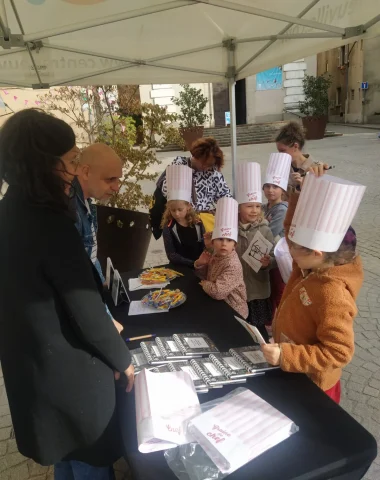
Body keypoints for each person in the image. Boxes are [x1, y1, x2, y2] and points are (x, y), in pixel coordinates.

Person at [0, 109, 134, 480]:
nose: (76, 171)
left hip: (34, 370)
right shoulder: (51, 223)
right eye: (72, 161)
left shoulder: (8, 211)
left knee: (65, 456)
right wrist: (123, 359)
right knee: (89, 458)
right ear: (44, 164)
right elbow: (85, 307)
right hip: (70, 375)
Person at [261, 164, 365, 404]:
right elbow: (291, 230)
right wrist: (303, 192)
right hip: (293, 368)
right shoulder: (308, 264)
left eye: (293, 248)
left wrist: (286, 355)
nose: (288, 249)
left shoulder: (333, 294)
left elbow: (339, 351)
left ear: (317, 252)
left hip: (314, 386)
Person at [73, 142, 124, 333]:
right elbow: (76, 278)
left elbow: (90, 255)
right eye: (110, 179)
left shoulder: (86, 203)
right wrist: (106, 320)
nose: (116, 187)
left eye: (118, 179)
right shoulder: (71, 210)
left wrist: (101, 280)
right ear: (85, 172)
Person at [235, 163, 275, 343]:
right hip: (237, 289)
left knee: (259, 329)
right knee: (241, 327)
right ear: (238, 208)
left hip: (258, 290)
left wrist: (269, 263)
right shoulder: (231, 230)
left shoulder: (265, 230)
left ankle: (264, 354)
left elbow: (274, 257)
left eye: (258, 206)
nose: (254, 210)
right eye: (249, 206)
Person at [162, 137, 231, 231]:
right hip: (183, 221)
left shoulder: (213, 171)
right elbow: (166, 192)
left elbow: (225, 195)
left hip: (206, 221)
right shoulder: (179, 165)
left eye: (210, 164)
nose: (207, 167)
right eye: (204, 163)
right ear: (196, 156)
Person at [195, 197, 248, 319]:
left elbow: (218, 292)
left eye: (229, 240)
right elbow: (203, 276)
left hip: (234, 312)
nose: (224, 244)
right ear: (213, 242)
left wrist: (205, 284)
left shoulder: (233, 265)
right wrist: (201, 264)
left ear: (234, 244)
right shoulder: (215, 253)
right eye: (220, 239)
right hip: (219, 307)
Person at [262, 153, 292, 317]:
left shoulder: (281, 210)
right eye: (267, 186)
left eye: (275, 186)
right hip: (268, 257)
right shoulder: (265, 207)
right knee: (272, 291)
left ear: (282, 189)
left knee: (279, 292)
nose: (271, 190)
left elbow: (268, 233)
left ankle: (283, 322)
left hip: (278, 259)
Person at [161, 165, 205, 267]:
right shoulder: (168, 228)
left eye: (180, 210)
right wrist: (193, 263)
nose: (176, 213)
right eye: (173, 210)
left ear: (188, 207)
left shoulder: (198, 223)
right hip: (178, 269)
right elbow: (171, 255)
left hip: (199, 268)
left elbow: (203, 246)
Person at [275, 121, 314, 191]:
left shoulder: (314, 169)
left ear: (295, 146)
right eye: (279, 151)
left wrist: (302, 186)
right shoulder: (282, 167)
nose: (280, 155)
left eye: (283, 150)